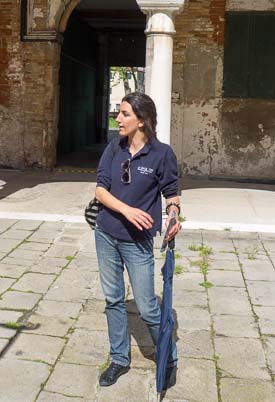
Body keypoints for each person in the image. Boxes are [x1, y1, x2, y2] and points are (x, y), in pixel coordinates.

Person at [95, 92, 181, 387]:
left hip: (138, 242)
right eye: (118, 113)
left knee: (147, 306)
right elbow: (100, 191)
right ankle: (119, 358)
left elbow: (172, 192)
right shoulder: (113, 148)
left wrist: (173, 214)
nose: (117, 118)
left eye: (124, 114)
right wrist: (127, 210)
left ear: (142, 120)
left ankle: (168, 357)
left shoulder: (162, 154)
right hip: (105, 233)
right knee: (113, 299)